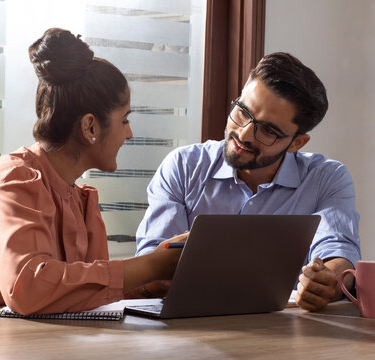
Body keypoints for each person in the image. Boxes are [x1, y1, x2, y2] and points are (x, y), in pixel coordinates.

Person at [0, 28, 186, 314]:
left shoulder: (78, 199)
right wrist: (150, 264)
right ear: (90, 126)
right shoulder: (8, 183)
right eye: (124, 120)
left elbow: (74, 293)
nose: (130, 134)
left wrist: (154, 279)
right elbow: (29, 288)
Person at [135, 52, 360, 311]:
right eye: (243, 112)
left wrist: (327, 281)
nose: (244, 134)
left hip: (281, 332)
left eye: (268, 130)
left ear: (296, 143)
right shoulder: (184, 167)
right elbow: (151, 268)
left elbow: (339, 250)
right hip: (186, 328)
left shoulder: (326, 178)